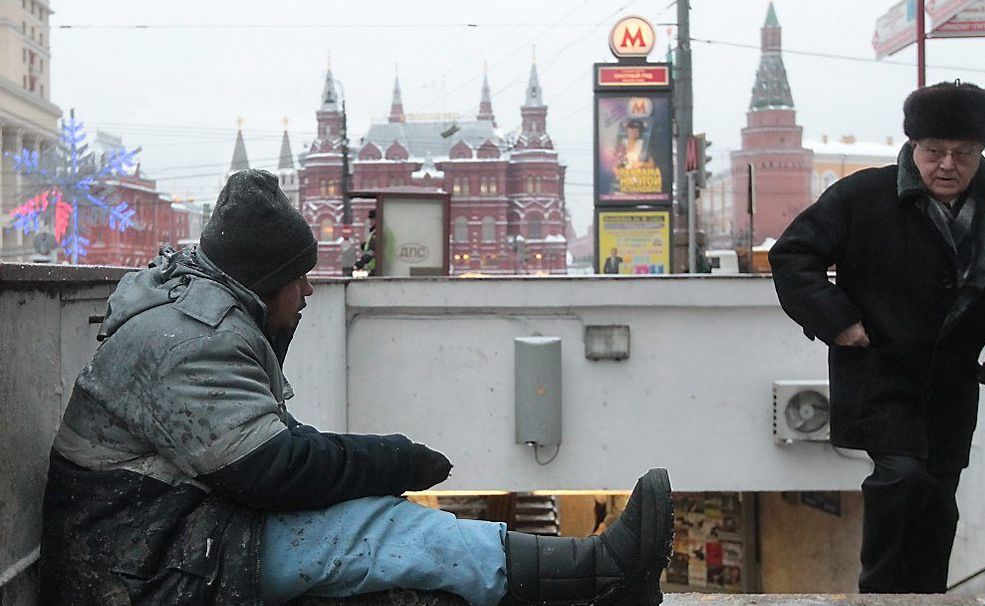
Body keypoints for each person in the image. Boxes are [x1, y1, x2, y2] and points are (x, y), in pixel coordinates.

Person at [39, 168, 674, 606]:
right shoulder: (189, 340)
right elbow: (273, 468)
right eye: (300, 277)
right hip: (139, 569)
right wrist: (393, 459)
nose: (310, 291)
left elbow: (266, 458)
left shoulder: (201, 320)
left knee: (374, 534)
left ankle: (580, 571)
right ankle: (603, 574)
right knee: (381, 535)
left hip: (155, 540)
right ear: (266, 280)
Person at [769, 81, 985, 593]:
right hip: (880, 375)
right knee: (900, 480)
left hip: (950, 389)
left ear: (980, 153)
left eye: (963, 153)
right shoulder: (864, 195)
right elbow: (793, 254)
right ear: (913, 148)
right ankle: (881, 597)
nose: (947, 165)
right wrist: (839, 321)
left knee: (937, 497)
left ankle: (926, 598)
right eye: (934, 152)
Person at [353, 208, 378, 275]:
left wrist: (363, 261)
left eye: (371, 219)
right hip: (376, 267)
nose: (370, 222)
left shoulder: (378, 232)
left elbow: (373, 249)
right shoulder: (375, 231)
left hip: (378, 267)